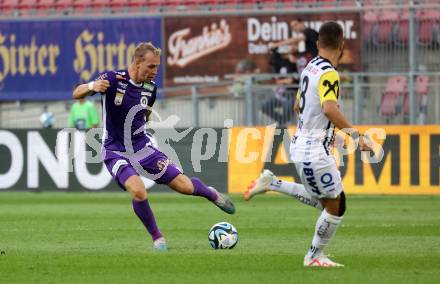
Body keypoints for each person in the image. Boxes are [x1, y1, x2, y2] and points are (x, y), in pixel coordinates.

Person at [72, 42, 235, 251]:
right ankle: (158, 238)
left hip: (142, 147)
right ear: (138, 63)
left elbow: (146, 113)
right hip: (114, 150)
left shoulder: (151, 88)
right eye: (151, 66)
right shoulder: (113, 79)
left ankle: (212, 194)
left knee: (184, 186)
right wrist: (92, 86)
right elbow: (77, 93)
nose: (154, 71)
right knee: (138, 190)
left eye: (157, 67)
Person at [244, 22, 372, 267]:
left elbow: (297, 106)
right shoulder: (329, 73)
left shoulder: (310, 67)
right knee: (336, 206)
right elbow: (329, 108)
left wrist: (324, 131)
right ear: (342, 45)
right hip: (313, 149)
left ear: (317, 44)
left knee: (326, 202)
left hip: (303, 143)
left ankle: (273, 183)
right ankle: (314, 257)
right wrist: (356, 136)